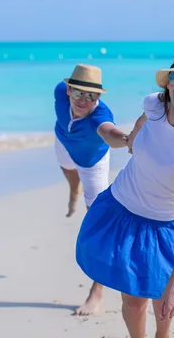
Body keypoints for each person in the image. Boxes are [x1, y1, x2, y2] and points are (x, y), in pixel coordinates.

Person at [75, 47, 174, 338]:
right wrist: (130, 141)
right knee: (132, 299)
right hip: (119, 211)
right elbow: (137, 134)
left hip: (162, 225)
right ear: (167, 82)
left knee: (162, 296)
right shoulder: (154, 106)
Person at [53, 63, 130, 316]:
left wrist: (128, 140)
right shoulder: (59, 91)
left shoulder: (100, 116)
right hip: (64, 141)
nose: (84, 100)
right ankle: (74, 189)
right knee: (66, 167)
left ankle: (96, 292)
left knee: (99, 230)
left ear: (98, 97)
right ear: (68, 90)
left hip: (91, 163)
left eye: (91, 95)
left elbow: (110, 134)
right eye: (78, 92)